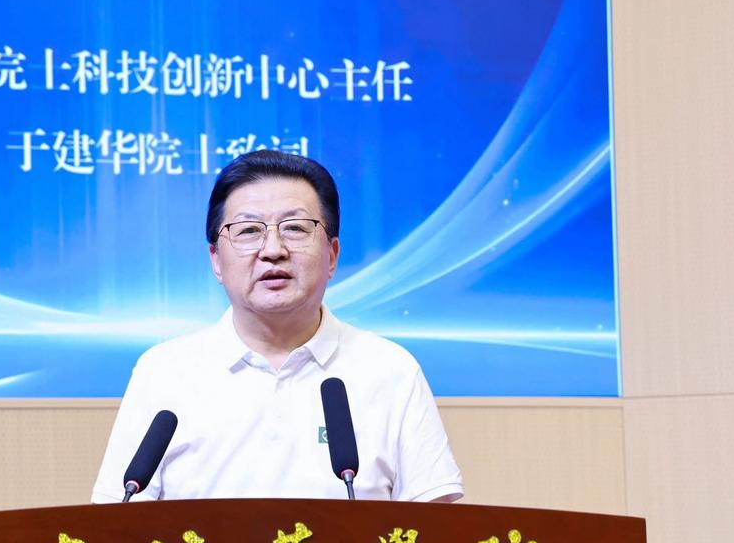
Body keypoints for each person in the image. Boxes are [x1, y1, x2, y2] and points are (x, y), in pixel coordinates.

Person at [91, 150, 462, 503]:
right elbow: (116, 520)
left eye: (296, 228)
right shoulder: (163, 371)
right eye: (248, 230)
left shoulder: (391, 370)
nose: (273, 250)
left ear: (332, 255)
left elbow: (436, 526)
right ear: (216, 259)